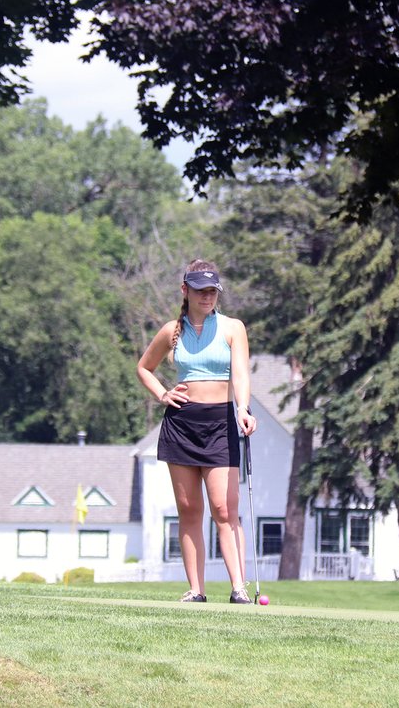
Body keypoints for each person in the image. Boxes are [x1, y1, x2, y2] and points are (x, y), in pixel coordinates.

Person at [137, 259, 257, 604]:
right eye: (201, 290)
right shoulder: (171, 331)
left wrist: (243, 409)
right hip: (182, 422)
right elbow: (144, 368)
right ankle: (196, 590)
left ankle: (238, 588)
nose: (207, 297)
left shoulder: (233, 328)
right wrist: (162, 393)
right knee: (189, 510)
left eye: (212, 291)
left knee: (224, 509)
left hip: (221, 422)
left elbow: (241, 375)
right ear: (185, 290)